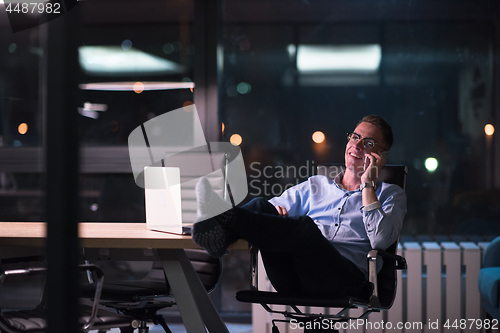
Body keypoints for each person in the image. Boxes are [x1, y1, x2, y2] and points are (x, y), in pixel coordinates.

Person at [192, 115, 407, 298]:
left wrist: (367, 183)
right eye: (356, 137)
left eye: (368, 143)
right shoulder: (315, 185)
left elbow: (380, 241)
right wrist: (274, 218)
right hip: (293, 277)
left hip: (345, 282)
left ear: (381, 156)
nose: (357, 145)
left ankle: (222, 216)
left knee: (305, 227)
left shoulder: (390, 194)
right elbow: (269, 210)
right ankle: (220, 233)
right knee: (261, 205)